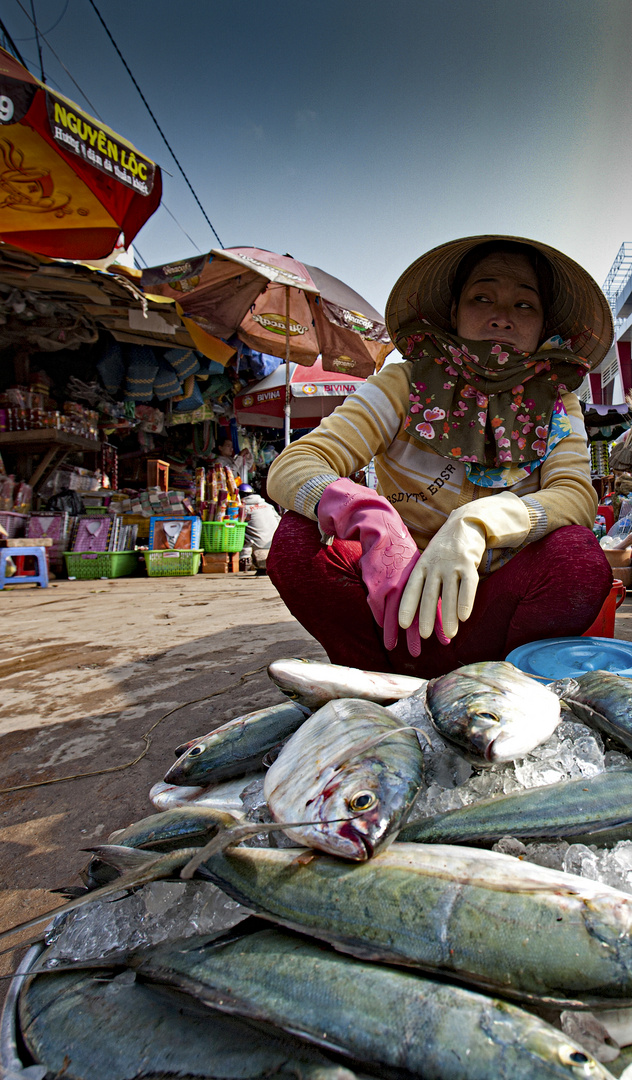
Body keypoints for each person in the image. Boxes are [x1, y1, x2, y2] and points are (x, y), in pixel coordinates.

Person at [266, 234, 614, 678]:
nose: (502, 317)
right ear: (454, 312)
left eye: (524, 305)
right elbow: (296, 463)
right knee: (298, 542)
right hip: (394, 603)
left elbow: (576, 498)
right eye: (481, 297)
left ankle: (502, 688)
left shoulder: (559, 403)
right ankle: (376, 684)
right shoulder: (404, 383)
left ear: (545, 323)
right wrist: (368, 514)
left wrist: (475, 525)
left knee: (577, 558)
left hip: (496, 613)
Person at [238, 483, 282, 574]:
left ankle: (244, 559)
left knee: (238, 530)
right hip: (273, 544)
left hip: (256, 546)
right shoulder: (268, 506)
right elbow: (279, 521)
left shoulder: (243, 509)